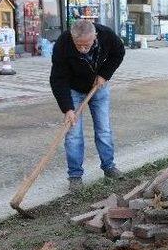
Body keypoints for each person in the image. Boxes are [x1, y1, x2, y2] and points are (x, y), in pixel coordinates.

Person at [50, 20, 126, 190]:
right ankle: (75, 176)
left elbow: (119, 52)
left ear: (95, 37)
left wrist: (104, 74)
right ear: (72, 38)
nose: (84, 49)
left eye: (87, 45)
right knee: (73, 134)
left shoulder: (106, 35)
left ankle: (109, 167)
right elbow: (58, 79)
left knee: (103, 129)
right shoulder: (62, 44)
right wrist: (68, 108)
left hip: (98, 87)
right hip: (74, 89)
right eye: (79, 45)